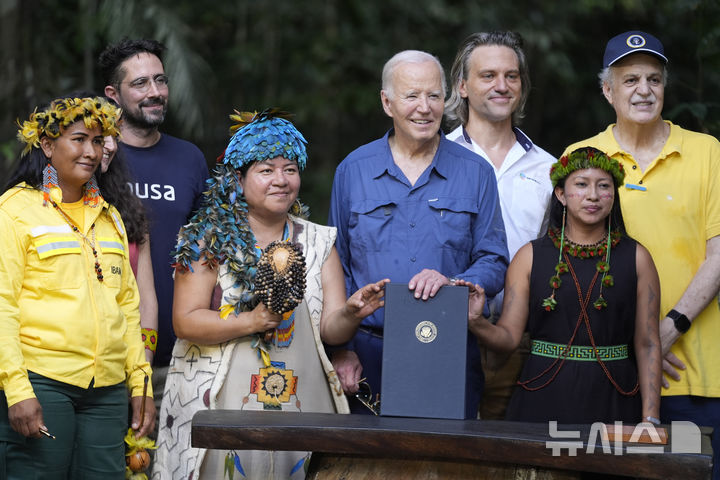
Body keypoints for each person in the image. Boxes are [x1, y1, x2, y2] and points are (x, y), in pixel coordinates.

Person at [152, 110, 388, 480]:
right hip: (220, 397)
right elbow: (185, 320)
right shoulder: (207, 239)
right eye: (266, 170)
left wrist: (353, 313)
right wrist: (252, 321)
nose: (281, 180)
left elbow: (331, 331)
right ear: (239, 178)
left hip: (300, 396)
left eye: (290, 169)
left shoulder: (318, 240)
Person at [564, 30, 720, 479]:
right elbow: (572, 265)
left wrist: (668, 329)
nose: (644, 90)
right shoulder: (583, 157)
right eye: (630, 80)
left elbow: (718, 255)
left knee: (693, 473)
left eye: (654, 79)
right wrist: (634, 345)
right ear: (607, 90)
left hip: (693, 374)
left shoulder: (706, 153)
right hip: (613, 371)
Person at [328, 50, 509, 418]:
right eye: (412, 96)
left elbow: (493, 258)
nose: (424, 108)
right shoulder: (353, 170)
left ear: (447, 100)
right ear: (387, 102)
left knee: (447, 467)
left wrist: (457, 281)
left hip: (449, 348)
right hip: (367, 354)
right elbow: (337, 265)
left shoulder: (476, 172)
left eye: (434, 96)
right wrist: (341, 349)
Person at [0, 96, 155, 478]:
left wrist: (141, 383)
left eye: (98, 141)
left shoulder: (111, 217)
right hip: (43, 383)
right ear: (48, 145)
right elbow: (3, 305)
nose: (91, 151)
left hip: (107, 391)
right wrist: (18, 391)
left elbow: (128, 308)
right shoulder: (16, 210)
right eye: (79, 139)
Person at [462, 147, 661, 424]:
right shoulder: (529, 257)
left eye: (603, 186)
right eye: (581, 185)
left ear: (613, 195)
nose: (593, 195)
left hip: (615, 396)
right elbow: (507, 338)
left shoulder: (637, 258)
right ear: (561, 195)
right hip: (542, 393)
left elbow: (648, 343)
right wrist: (476, 321)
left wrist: (650, 418)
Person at [445, 31, 555, 419]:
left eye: (511, 76)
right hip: (445, 333)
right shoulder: (436, 161)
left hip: (525, 341)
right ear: (462, 85)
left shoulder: (549, 169)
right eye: (488, 75)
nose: (501, 85)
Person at [99, 38, 209, 402]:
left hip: (181, 356)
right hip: (107, 357)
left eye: (160, 81)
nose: (155, 92)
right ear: (113, 94)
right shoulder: (95, 159)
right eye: (141, 83)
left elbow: (209, 249)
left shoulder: (189, 158)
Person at [101, 134, 159, 363]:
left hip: (127, 360)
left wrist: (143, 367)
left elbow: (146, 302)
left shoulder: (130, 210)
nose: (111, 146)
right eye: (98, 138)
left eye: (114, 137)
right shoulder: (32, 206)